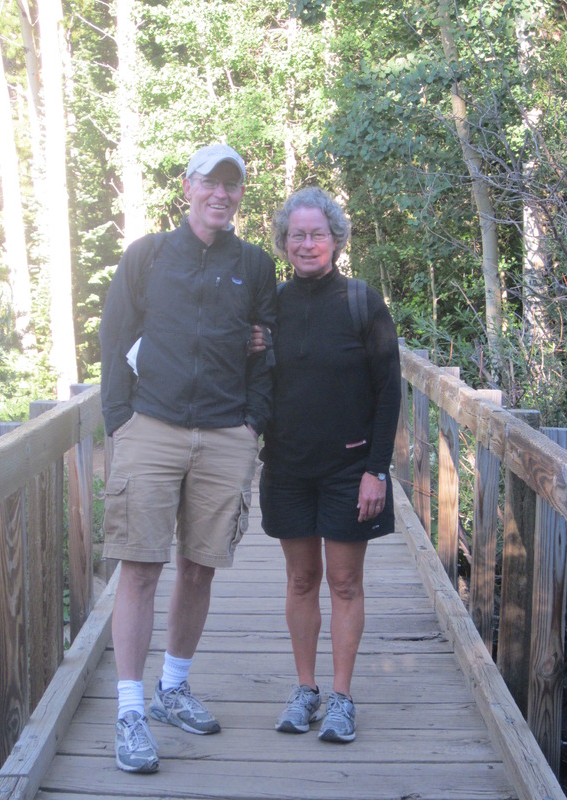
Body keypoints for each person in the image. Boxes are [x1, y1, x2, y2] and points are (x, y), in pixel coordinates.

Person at [99, 144, 277, 773]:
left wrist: (252, 423)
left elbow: (267, 346)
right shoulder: (147, 255)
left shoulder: (254, 264)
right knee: (140, 568)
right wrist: (119, 421)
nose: (221, 194)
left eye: (232, 185)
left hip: (226, 433)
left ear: (240, 194)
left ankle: (172, 688)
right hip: (151, 426)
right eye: (210, 182)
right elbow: (114, 337)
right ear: (188, 187)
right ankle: (129, 711)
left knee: (200, 568)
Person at [258, 186, 401, 743]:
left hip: (350, 469)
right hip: (287, 467)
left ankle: (342, 698)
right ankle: (305, 690)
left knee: (343, 582)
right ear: (284, 242)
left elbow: (389, 392)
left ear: (336, 239)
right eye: (297, 235)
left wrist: (377, 470)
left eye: (318, 234)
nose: (307, 243)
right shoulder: (271, 307)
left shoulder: (362, 302)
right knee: (300, 579)